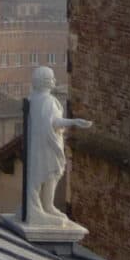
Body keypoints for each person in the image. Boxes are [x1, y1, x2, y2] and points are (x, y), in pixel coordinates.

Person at [24, 65, 91, 230]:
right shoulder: (48, 101)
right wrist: (74, 122)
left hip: (39, 145)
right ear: (46, 82)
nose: (55, 80)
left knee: (44, 175)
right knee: (50, 172)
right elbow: (55, 123)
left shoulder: (34, 99)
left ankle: (47, 206)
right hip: (48, 145)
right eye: (52, 78)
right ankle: (39, 209)